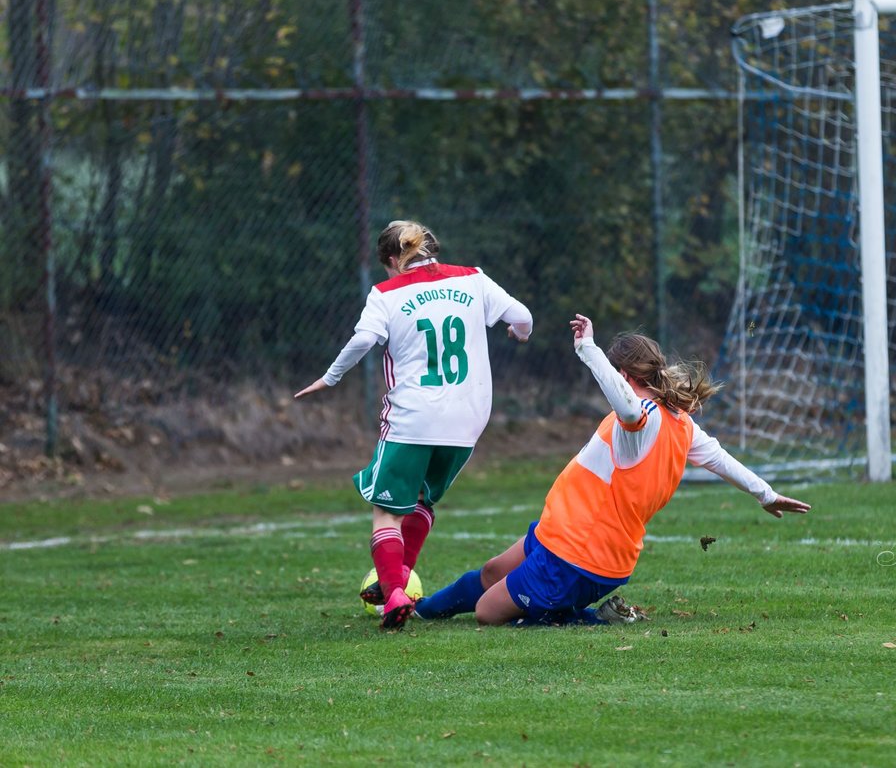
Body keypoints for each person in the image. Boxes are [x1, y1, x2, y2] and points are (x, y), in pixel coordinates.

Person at [411, 313, 812, 627]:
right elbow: (723, 459)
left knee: (487, 611)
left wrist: (588, 349)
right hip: (565, 536)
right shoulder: (681, 423)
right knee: (493, 571)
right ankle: (417, 610)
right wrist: (765, 494)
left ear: (624, 376)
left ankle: (589, 617)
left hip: (579, 555)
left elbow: (628, 407)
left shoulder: (644, 419)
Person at [295, 220, 533, 628]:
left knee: (386, 511)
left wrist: (330, 377)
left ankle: (393, 597)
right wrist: (518, 332)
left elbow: (363, 340)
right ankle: (399, 579)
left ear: (391, 260)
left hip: (416, 416)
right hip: (469, 417)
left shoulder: (386, 293)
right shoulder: (473, 279)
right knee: (422, 500)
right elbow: (524, 316)